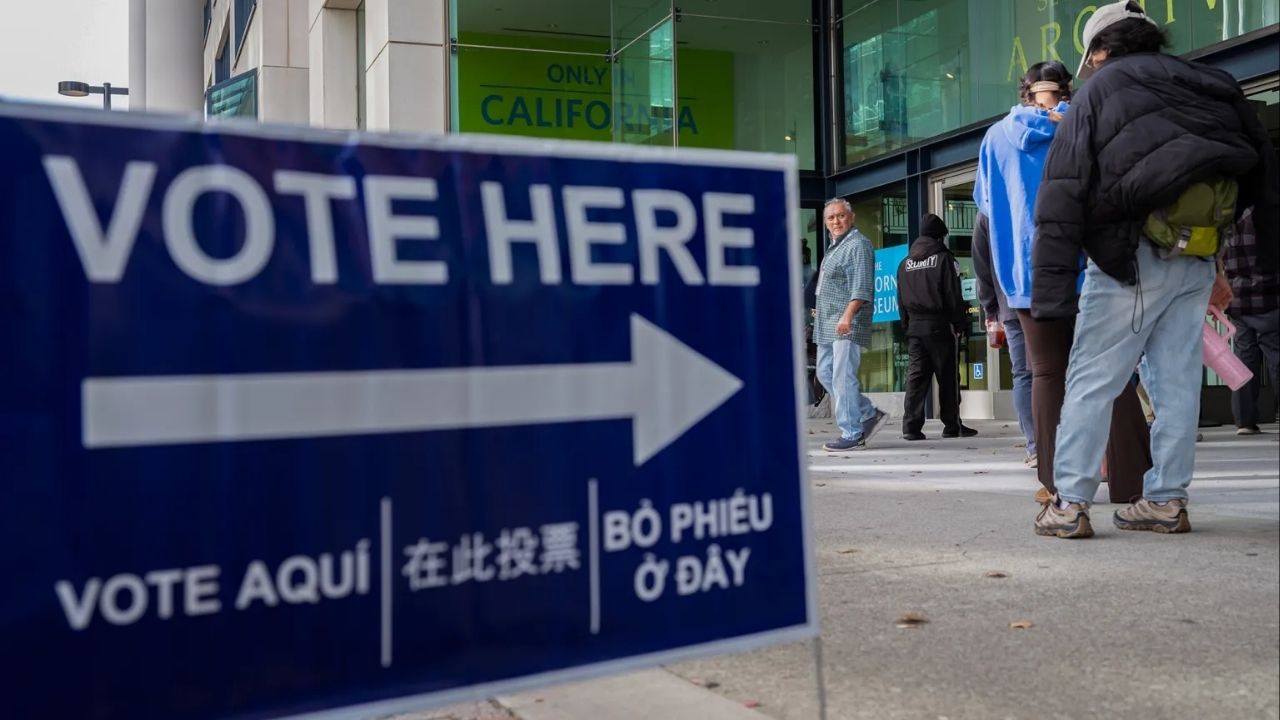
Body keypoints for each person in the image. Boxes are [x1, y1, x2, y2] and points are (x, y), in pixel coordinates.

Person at [1032, 1, 1278, 538]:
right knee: (1178, 382)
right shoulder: (1210, 84)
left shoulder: (1098, 92)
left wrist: (1049, 298)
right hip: (1196, 256)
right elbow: (1258, 169)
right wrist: (1220, 257)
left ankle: (1069, 503)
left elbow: (1062, 196)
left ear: (1100, 50)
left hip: (1131, 257)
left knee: (1093, 379)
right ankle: (1166, 499)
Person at [973, 59, 1151, 505]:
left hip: (1027, 273)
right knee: (1111, 373)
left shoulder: (996, 138)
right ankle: (1133, 484)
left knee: (1046, 373)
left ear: (1025, 91)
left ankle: (1057, 487)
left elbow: (988, 208)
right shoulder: (1087, 125)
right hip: (1089, 264)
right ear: (1067, 89)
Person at [813, 198, 888, 450]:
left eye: (841, 216)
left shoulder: (857, 245)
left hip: (846, 322)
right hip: (827, 323)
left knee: (842, 377)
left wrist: (847, 316)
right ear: (825, 223)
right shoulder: (835, 247)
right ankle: (868, 413)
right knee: (825, 373)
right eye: (831, 218)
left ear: (851, 217)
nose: (836, 221)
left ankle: (852, 433)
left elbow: (861, 286)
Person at [896, 213, 976, 440]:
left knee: (916, 378)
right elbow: (953, 295)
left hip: (915, 329)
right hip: (940, 326)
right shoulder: (944, 259)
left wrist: (907, 326)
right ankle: (952, 425)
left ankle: (910, 427)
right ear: (940, 237)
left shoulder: (905, 264)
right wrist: (960, 323)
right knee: (948, 377)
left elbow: (900, 299)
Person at [972, 212, 1035, 465]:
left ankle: (1035, 446)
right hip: (1049, 300)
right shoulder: (1036, 188)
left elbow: (981, 266)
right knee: (1054, 372)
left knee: (1024, 374)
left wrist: (990, 309)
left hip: (1009, 305)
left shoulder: (986, 212)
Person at [1223, 207, 1279, 435]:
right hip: (1269, 296)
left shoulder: (1227, 216)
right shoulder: (1266, 216)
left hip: (1237, 299)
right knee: (1276, 356)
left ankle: (1244, 421)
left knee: (1244, 358)